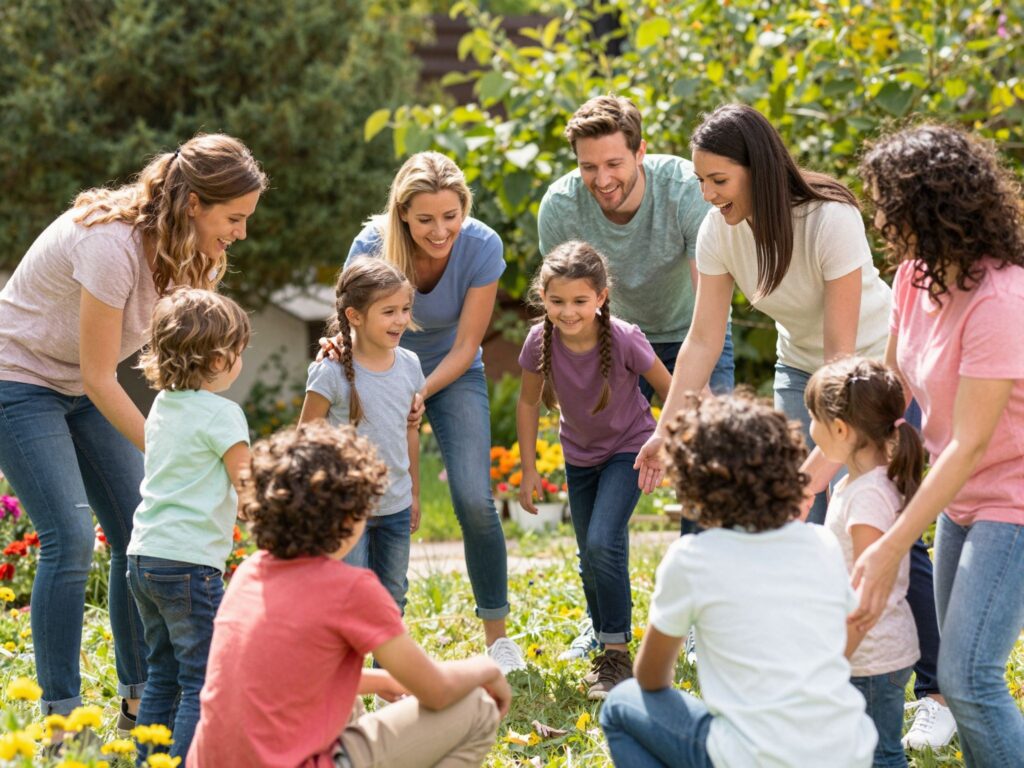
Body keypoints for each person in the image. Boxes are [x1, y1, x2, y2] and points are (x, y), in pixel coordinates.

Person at [634, 105, 949, 741]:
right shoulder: (719, 231)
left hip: (875, 373)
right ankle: (819, 676)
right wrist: (663, 431)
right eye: (700, 181)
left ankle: (936, 692)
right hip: (799, 373)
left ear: (757, 169)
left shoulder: (830, 218)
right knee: (795, 527)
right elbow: (701, 341)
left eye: (718, 180)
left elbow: (842, 355)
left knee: (881, 524)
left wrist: (818, 468)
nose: (708, 194)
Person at [0, 134, 266, 726]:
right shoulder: (110, 246)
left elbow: (196, 353)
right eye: (234, 218)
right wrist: (179, 453)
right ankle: (63, 718)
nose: (241, 233)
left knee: (136, 530)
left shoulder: (196, 252)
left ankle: (141, 701)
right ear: (194, 202)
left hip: (82, 385)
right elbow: (99, 376)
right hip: (19, 379)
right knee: (68, 538)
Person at [845, 124, 1024, 766]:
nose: (882, 220)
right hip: (961, 499)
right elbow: (889, 398)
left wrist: (893, 545)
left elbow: (971, 444)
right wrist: (814, 471)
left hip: (1013, 500)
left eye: (889, 205)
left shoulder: (1002, 299)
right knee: (959, 675)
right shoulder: (915, 277)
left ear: (929, 206)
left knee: (970, 678)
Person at [187, 421, 510, 768]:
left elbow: (289, 678)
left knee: (350, 703)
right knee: (477, 707)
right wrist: (487, 667)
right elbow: (437, 691)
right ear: (350, 517)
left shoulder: (249, 573)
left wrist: (381, 680)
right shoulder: (349, 589)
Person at [539, 94, 734, 657]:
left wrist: (681, 406)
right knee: (595, 477)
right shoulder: (560, 207)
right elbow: (565, 308)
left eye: (615, 164)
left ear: (641, 153)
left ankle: (697, 619)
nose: (602, 179)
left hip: (688, 334)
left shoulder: (681, 191)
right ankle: (600, 621)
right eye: (588, 166)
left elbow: (710, 301)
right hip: (608, 342)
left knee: (706, 468)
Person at [600, 393, 877, 767]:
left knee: (620, 704)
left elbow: (651, 679)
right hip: (847, 751)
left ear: (693, 485)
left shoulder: (692, 560)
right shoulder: (821, 543)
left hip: (752, 757)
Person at [342, 151, 525, 672]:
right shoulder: (371, 246)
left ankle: (497, 638)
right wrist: (357, 363)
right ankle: (366, 642)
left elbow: (468, 345)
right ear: (402, 213)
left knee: (473, 497)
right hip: (376, 372)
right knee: (368, 499)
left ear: (465, 209)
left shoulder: (483, 246)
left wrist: (417, 390)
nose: (440, 230)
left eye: (451, 216)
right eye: (425, 219)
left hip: (451, 373)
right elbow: (348, 321)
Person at [516, 241, 670, 700]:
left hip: (630, 449)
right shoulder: (537, 341)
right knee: (589, 556)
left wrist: (669, 445)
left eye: (580, 301)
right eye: (557, 301)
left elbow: (669, 388)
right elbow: (527, 402)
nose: (568, 311)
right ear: (543, 297)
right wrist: (528, 470)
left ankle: (617, 654)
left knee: (604, 540)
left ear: (601, 297)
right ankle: (606, 642)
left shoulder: (623, 336)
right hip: (578, 456)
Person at [126, 288, 252, 762]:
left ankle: (150, 758)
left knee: (162, 672)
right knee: (202, 676)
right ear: (220, 358)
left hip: (144, 558)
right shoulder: (224, 414)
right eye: (239, 351)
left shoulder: (163, 406)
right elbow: (248, 486)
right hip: (188, 565)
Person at [805, 357, 925, 768]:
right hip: (866, 652)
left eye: (812, 417)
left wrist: (836, 660)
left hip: (870, 657)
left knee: (879, 756)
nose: (809, 426)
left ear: (840, 430)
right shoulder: (856, 483)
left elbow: (867, 591)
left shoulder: (868, 497)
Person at [300, 258, 424, 614]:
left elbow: (410, 431)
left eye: (405, 309)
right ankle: (347, 671)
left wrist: (414, 492)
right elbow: (305, 441)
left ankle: (385, 672)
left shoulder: (410, 365)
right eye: (388, 311)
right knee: (347, 600)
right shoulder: (329, 372)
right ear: (354, 316)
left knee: (392, 598)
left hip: (396, 505)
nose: (400, 320)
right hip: (346, 509)